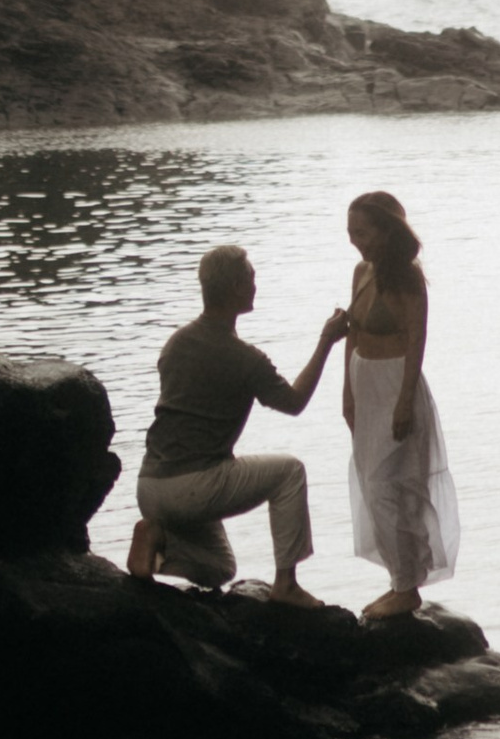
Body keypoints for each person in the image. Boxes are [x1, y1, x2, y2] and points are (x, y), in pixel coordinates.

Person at [128, 246, 348, 600]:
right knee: (289, 472)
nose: (255, 285)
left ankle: (157, 542)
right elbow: (294, 403)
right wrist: (326, 341)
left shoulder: (176, 342)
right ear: (234, 287)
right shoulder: (244, 358)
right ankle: (287, 584)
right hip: (194, 487)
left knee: (219, 568)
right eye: (250, 278)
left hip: (151, 486)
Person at [343, 190, 461, 619]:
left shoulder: (408, 278)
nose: (356, 241)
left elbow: (416, 341)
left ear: (386, 231)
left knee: (395, 487)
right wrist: (347, 393)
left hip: (396, 385)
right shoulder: (361, 271)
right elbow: (353, 333)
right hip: (364, 383)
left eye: (362, 232)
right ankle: (399, 579)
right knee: (372, 488)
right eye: (351, 233)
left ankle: (407, 586)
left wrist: (404, 402)